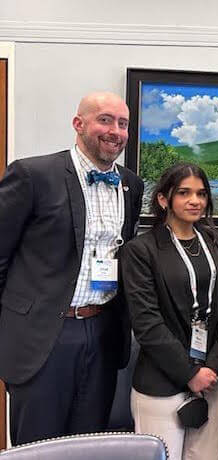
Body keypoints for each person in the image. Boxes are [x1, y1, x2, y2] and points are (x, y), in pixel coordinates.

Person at [0, 92, 144, 445]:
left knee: (87, 445)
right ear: (79, 124)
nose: (115, 131)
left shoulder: (131, 185)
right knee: (38, 447)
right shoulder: (33, 174)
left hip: (103, 331)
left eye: (123, 123)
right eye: (105, 120)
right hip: (43, 335)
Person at [119, 163, 218, 459]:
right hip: (162, 382)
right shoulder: (141, 250)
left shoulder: (215, 242)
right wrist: (189, 373)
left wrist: (213, 368)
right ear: (163, 199)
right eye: (184, 193)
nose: (195, 201)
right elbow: (146, 323)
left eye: (201, 193)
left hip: (211, 380)